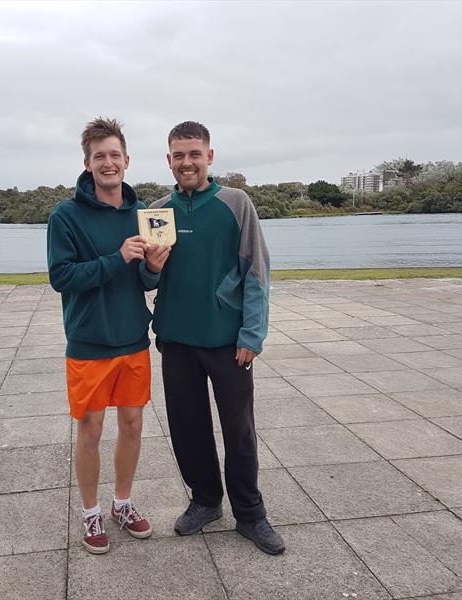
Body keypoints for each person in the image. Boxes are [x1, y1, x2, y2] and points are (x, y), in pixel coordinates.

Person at [150, 121, 285, 555]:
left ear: (210, 156)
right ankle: (205, 501)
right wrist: (150, 265)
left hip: (228, 342)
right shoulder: (157, 210)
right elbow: (146, 278)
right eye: (178, 155)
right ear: (168, 160)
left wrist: (252, 334)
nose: (186, 162)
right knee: (188, 429)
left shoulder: (235, 203)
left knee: (239, 430)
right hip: (176, 340)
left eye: (194, 153)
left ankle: (250, 513)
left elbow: (257, 273)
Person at [47, 117, 171, 554]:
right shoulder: (66, 215)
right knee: (91, 428)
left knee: (134, 424)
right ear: (87, 163)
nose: (108, 162)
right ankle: (90, 512)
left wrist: (153, 267)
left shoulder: (144, 216)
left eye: (114, 155)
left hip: (133, 338)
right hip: (89, 342)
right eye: (99, 156)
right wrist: (117, 258)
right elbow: (61, 277)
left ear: (127, 161)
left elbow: (146, 282)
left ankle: (122, 503)